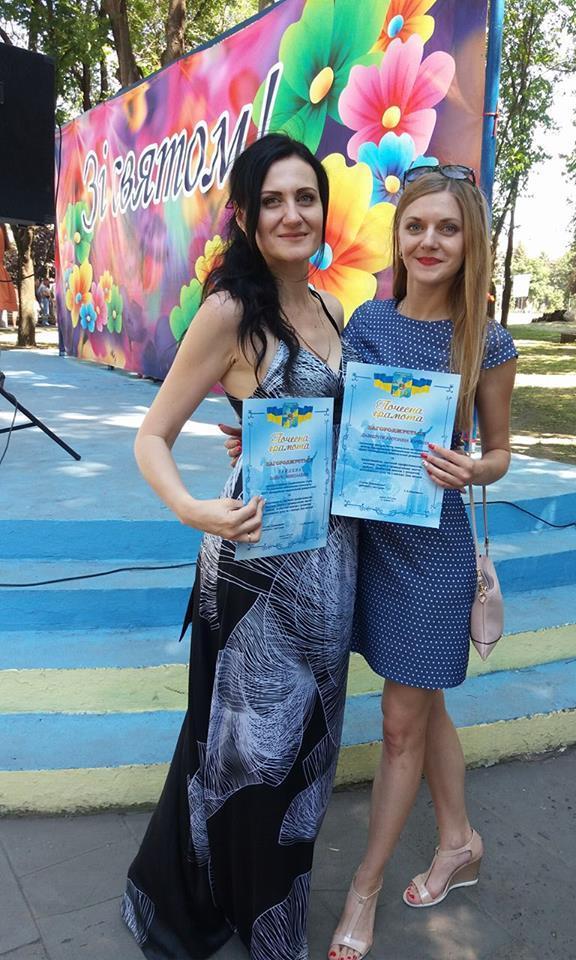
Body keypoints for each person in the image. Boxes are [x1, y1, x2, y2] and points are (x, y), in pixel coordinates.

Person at [122, 134, 358, 960]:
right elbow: (151, 436)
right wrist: (197, 510)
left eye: (306, 197)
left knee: (308, 752)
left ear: (323, 210)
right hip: (253, 566)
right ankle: (243, 920)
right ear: (248, 218)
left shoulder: (331, 309)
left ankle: (265, 909)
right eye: (273, 201)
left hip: (331, 560)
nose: (292, 214)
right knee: (243, 756)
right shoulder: (230, 311)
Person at [326, 166, 517, 960]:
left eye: (447, 227)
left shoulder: (486, 340)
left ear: (470, 240)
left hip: (433, 554)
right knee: (425, 700)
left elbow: (501, 452)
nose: (429, 240)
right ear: (398, 236)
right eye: (416, 226)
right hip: (366, 542)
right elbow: (338, 426)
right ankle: (459, 841)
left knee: (401, 722)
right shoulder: (368, 323)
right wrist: (265, 441)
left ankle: (363, 888)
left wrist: (475, 468)